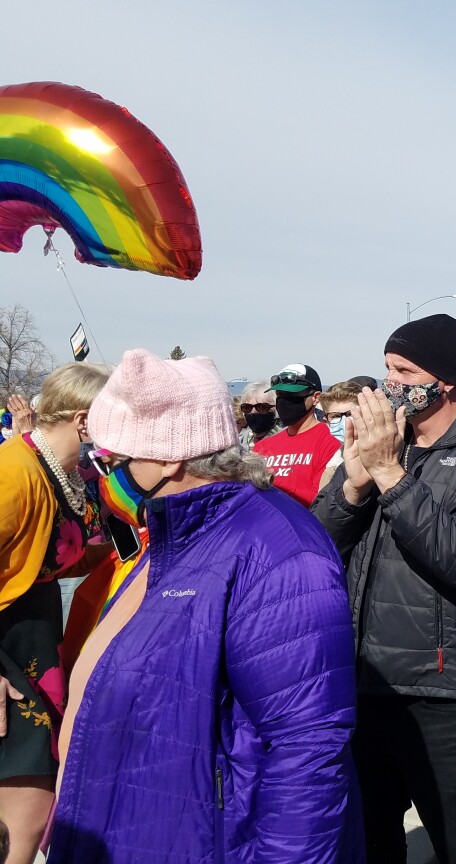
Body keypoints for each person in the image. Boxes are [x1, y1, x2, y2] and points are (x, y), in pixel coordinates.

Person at [45, 349, 360, 864]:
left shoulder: (278, 550)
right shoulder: (173, 536)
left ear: (170, 457)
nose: (99, 475)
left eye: (111, 460)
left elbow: (307, 752)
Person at [312, 314, 456, 864]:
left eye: (404, 371)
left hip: (445, 690)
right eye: (386, 369)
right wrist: (354, 487)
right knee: (367, 843)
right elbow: (317, 553)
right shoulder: (387, 445)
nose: (390, 385)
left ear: (447, 381)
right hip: (366, 683)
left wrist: (389, 475)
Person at [0, 364, 110, 864]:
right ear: (85, 421)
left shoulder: (61, 471)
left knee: (34, 808)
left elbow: (57, 556)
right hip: (8, 652)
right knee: (23, 817)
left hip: (37, 643)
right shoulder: (15, 471)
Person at [254, 364, 339, 506]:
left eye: (292, 395)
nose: (284, 401)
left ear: (315, 397)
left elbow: (321, 500)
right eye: (280, 395)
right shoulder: (262, 447)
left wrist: (270, 488)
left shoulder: (330, 443)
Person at [318, 379, 365, 489]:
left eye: (350, 414)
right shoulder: (332, 469)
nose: (346, 421)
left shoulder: (387, 455)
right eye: (336, 416)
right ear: (326, 422)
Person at [236, 380, 279, 452]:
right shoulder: (239, 444)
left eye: (261, 407)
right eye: (247, 407)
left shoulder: (284, 441)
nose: (253, 411)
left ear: (275, 409)